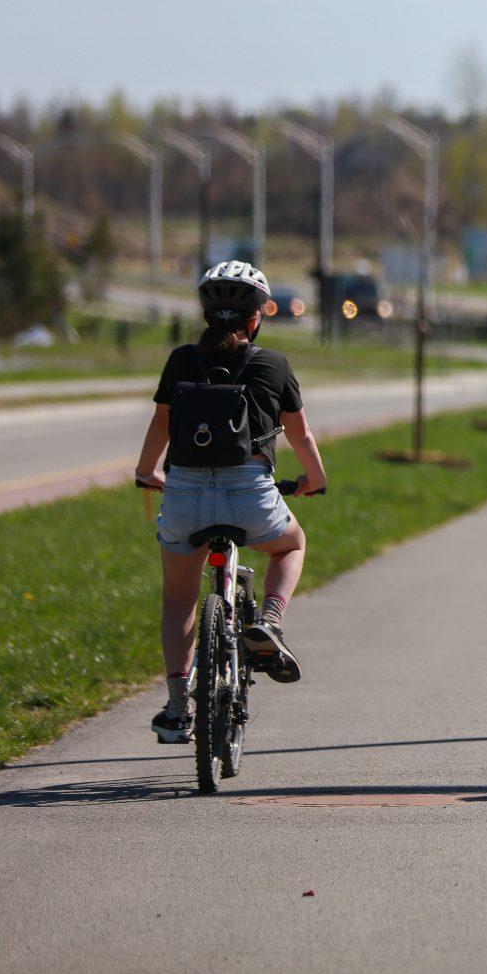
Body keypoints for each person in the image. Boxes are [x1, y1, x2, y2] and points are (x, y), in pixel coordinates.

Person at [133, 261, 327, 744]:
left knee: (178, 600)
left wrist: (147, 472)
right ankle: (269, 621)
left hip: (184, 493)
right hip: (250, 494)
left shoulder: (181, 360)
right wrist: (314, 479)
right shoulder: (273, 364)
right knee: (291, 545)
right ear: (256, 318)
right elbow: (300, 434)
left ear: (205, 315)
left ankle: (177, 707)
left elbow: (161, 423)